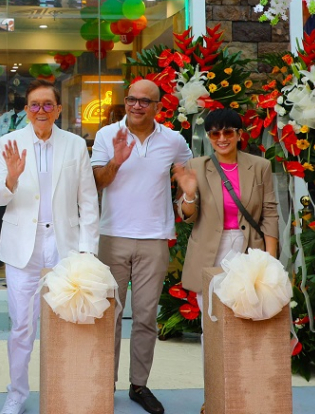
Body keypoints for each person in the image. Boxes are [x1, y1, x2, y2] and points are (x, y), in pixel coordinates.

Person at [0, 80, 99, 414]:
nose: (41, 111)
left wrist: (87, 251)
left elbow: (88, 201)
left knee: (67, 321)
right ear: (26, 109)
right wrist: (11, 178)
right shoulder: (9, 142)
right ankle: (16, 394)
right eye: (34, 105)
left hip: (63, 243)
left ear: (59, 109)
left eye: (47, 105)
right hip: (23, 244)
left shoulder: (75, 145)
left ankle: (64, 389)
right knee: (22, 324)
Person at [92, 79, 191, 414]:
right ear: (125, 101)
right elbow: (97, 183)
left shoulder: (174, 140)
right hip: (113, 235)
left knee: (146, 316)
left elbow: (185, 178)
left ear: (157, 105)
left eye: (144, 101)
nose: (137, 106)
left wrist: (185, 202)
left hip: (155, 237)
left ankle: (139, 385)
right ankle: (104, 383)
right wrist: (117, 161)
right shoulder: (107, 135)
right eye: (132, 99)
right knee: (110, 316)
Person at [173, 108, 280, 298]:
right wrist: (189, 194)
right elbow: (188, 216)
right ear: (209, 137)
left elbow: (269, 212)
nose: (222, 138)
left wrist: (270, 259)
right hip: (208, 247)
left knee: (245, 307)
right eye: (215, 133)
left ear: (239, 135)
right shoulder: (197, 166)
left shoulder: (260, 166)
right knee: (210, 311)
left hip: (247, 246)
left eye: (228, 132)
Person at [0, 95, 27, 271]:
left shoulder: (31, 119)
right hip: (2, 170)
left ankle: (19, 254)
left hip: (23, 174)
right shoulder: (5, 118)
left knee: (21, 216)